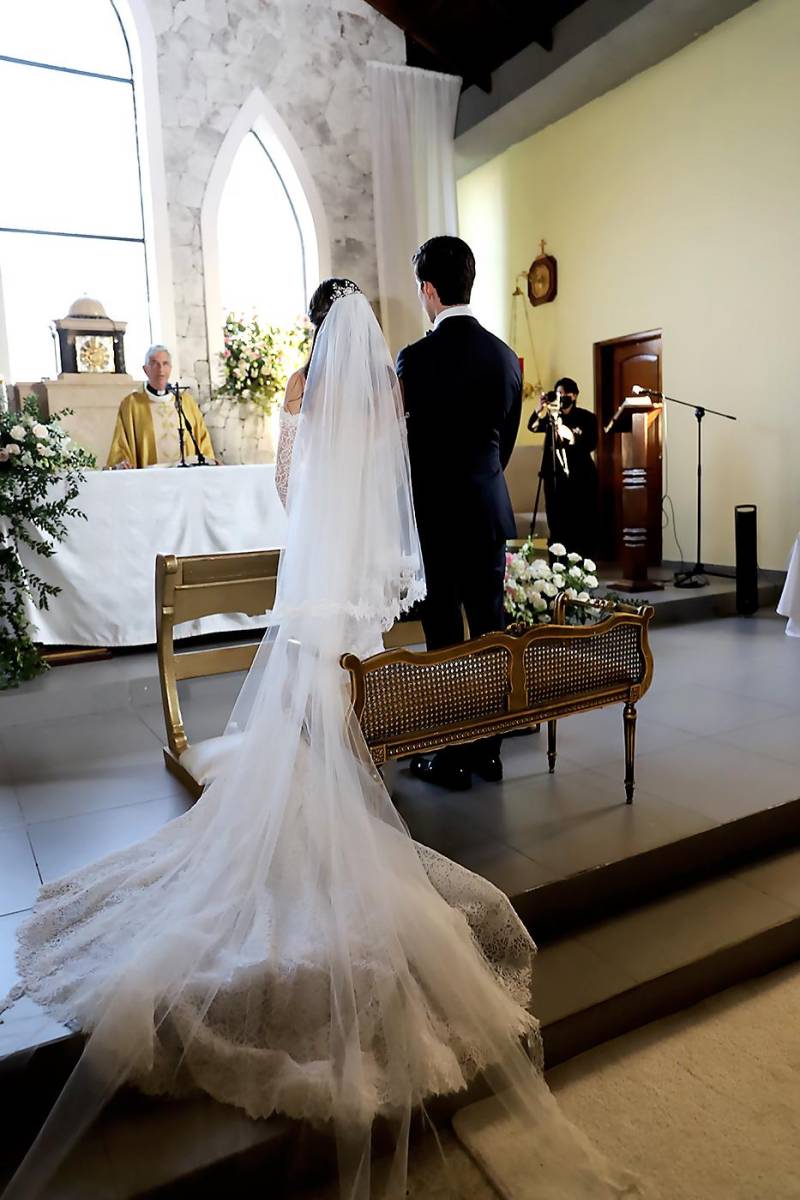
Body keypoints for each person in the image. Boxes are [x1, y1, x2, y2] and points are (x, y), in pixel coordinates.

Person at [2, 281, 637, 1200]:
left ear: (312, 329)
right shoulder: (388, 390)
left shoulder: (303, 390)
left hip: (312, 588)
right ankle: (342, 822)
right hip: (360, 597)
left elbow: (292, 486)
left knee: (304, 721)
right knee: (352, 715)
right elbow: (394, 483)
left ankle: (300, 833)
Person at [397, 236, 521, 792]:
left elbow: (406, 446)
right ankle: (489, 751)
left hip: (436, 522)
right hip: (488, 513)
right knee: (492, 629)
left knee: (444, 637)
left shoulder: (416, 359)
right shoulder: (503, 355)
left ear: (429, 289)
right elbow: (506, 443)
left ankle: (450, 756)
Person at [106, 345, 216, 468]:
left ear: (170, 368)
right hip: (150, 480)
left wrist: (209, 461)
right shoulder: (132, 405)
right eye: (155, 364)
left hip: (186, 477)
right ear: (145, 369)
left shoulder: (185, 402)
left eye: (165, 364)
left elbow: (202, 438)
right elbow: (121, 444)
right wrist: (122, 462)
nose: (161, 370)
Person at [527, 377, 598, 559]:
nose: (561, 397)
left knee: (580, 522)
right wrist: (539, 409)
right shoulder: (552, 418)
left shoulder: (586, 417)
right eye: (558, 394)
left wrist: (571, 437)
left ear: (574, 395)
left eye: (564, 394)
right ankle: (556, 565)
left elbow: (591, 443)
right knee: (556, 522)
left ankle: (580, 565)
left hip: (580, 477)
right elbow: (533, 427)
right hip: (554, 476)